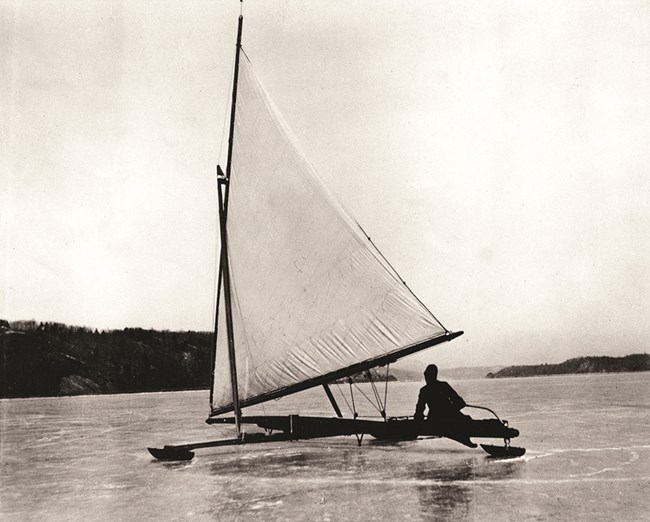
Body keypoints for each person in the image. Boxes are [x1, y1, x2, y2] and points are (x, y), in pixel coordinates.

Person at [414, 364, 476, 447]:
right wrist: (451, 409)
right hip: (450, 417)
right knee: (466, 420)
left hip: (434, 419)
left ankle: (464, 439)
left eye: (426, 375)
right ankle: (465, 439)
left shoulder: (424, 390)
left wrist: (416, 424)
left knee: (462, 420)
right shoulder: (444, 385)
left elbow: (419, 410)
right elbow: (460, 402)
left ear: (427, 375)